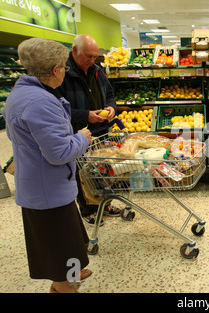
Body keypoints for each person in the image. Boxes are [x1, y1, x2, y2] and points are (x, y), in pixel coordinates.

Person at [3, 38, 93, 293]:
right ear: (55, 70)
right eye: (64, 66)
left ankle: (74, 271)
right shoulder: (40, 102)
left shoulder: (22, 93)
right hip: (46, 189)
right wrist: (82, 138)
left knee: (70, 238)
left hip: (42, 183)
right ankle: (63, 285)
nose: (65, 71)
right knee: (60, 245)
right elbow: (60, 152)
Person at [58, 34, 122, 225]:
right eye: (88, 56)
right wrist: (85, 115)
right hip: (78, 133)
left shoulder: (97, 70)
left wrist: (111, 108)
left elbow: (110, 94)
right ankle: (88, 209)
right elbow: (58, 108)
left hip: (101, 131)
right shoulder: (63, 73)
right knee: (83, 174)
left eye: (95, 56)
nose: (92, 60)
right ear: (75, 51)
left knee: (103, 170)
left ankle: (106, 203)